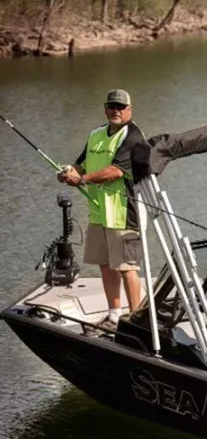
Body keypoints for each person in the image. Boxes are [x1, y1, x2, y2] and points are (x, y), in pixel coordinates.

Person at [57, 89, 146, 333]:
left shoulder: (134, 137)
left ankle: (136, 321)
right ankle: (114, 315)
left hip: (124, 213)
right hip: (99, 212)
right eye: (111, 106)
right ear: (105, 108)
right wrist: (68, 172)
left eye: (120, 107)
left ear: (129, 109)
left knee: (126, 266)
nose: (115, 111)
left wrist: (82, 179)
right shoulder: (96, 134)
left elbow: (115, 172)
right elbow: (81, 162)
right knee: (105, 265)